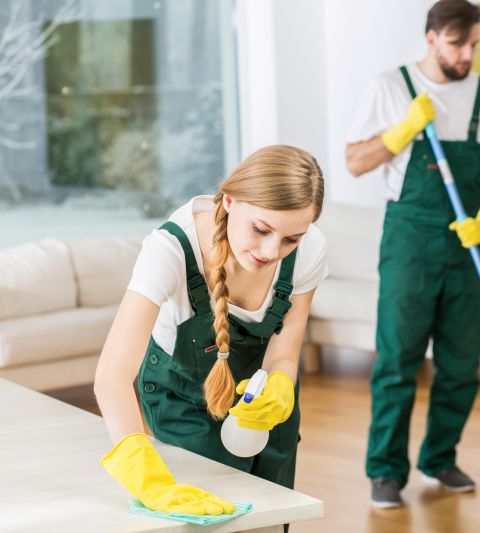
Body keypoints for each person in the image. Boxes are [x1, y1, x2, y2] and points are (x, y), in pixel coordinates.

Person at [345, 0, 480, 508]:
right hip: (409, 240)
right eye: (456, 44)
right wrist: (399, 132)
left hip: (467, 241)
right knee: (397, 360)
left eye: (473, 45)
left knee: (461, 363)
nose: (466, 54)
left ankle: (440, 457)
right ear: (431, 38)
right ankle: (385, 471)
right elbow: (354, 161)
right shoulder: (390, 87)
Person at [94, 145, 328, 521]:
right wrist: (145, 477)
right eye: (261, 229)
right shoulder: (170, 249)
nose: (271, 251)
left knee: (270, 513)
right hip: (183, 392)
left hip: (260, 396)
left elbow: (284, 352)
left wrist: (281, 385)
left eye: (291, 239)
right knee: (212, 513)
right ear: (231, 200)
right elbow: (111, 378)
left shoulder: (311, 249)